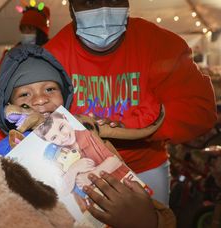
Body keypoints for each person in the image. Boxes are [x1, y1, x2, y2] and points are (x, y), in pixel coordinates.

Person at [43, 0, 217, 205]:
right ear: (71, 8)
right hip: (83, 170)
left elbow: (199, 109)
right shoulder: (52, 56)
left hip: (145, 169)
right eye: (88, 1)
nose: (103, 10)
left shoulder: (159, 44)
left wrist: (134, 125)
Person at [0, 44, 175, 227]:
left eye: (50, 89)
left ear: (65, 96)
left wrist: (146, 220)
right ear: (9, 106)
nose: (40, 99)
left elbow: (122, 180)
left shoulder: (89, 136)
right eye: (24, 94)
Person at [0, 4, 51, 120]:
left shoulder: (52, 51)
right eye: (23, 29)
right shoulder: (13, 54)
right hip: (20, 112)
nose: (26, 33)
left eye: (30, 28)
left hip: (48, 109)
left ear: (41, 31)